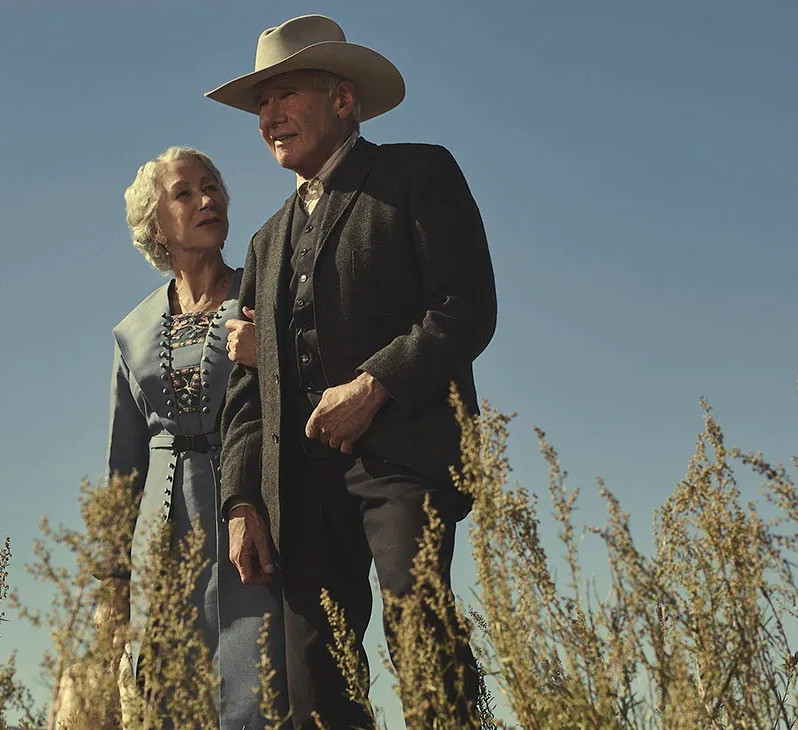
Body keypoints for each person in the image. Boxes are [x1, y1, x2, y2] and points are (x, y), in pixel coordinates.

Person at [210, 15, 496, 729]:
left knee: (421, 636)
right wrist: (241, 501)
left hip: (403, 461)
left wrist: (374, 384)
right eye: (260, 105)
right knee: (315, 680)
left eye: (284, 95)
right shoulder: (264, 242)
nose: (270, 115)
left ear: (343, 100)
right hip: (298, 489)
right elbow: (245, 392)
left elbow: (466, 307)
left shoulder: (417, 174)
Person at [82, 146, 287, 729]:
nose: (208, 199)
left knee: (261, 686)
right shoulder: (132, 333)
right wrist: (112, 579)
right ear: (157, 226)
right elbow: (122, 469)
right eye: (186, 192)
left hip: (256, 518)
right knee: (169, 698)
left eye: (214, 185)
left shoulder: (263, 296)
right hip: (162, 542)